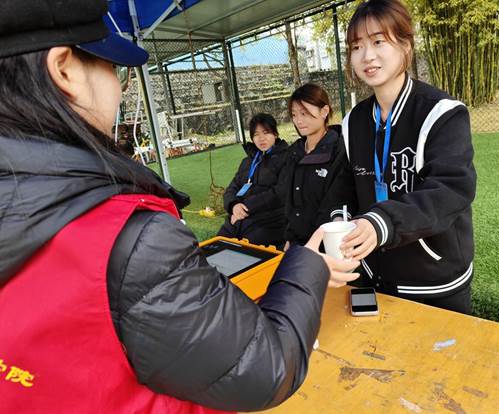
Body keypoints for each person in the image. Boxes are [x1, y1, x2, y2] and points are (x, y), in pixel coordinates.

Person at [0, 1, 360, 413]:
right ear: (65, 70)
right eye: (114, 69)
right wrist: (306, 264)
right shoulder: (127, 238)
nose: (120, 87)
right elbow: (263, 368)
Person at [340, 0, 476, 314]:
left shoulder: (442, 113)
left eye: (378, 42)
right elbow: (343, 188)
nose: (367, 56)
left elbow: (451, 190)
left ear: (405, 45)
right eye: (357, 46)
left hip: (434, 279)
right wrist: (339, 226)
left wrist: (381, 222)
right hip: (373, 274)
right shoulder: (353, 122)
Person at [283, 83, 357, 248]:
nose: (298, 120)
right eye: (294, 114)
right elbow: (289, 202)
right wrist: (289, 237)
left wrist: (315, 243)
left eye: (304, 113)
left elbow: (337, 198)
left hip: (326, 243)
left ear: (324, 111)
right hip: (296, 243)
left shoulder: (340, 151)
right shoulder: (294, 151)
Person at [218, 113, 288, 247]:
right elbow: (232, 188)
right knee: (216, 246)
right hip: (239, 217)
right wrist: (234, 206)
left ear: (275, 134)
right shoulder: (247, 161)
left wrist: (245, 208)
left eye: (266, 133)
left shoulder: (286, 158)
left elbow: (280, 192)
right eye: (256, 134)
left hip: (269, 222)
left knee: (245, 251)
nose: (261, 138)